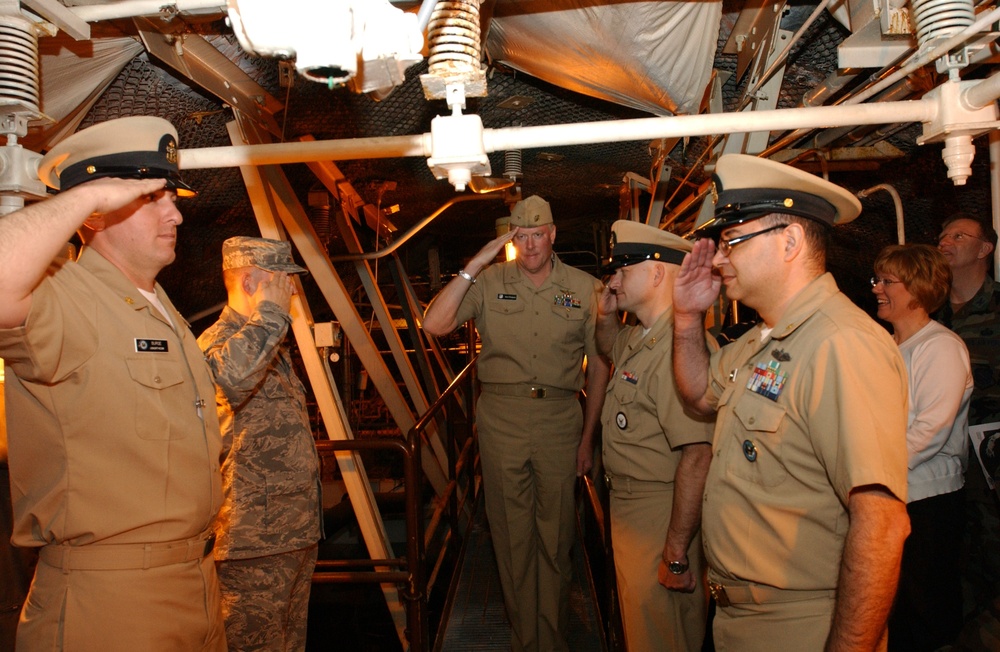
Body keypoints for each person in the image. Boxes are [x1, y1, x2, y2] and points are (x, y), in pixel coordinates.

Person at [0, 116, 226, 651]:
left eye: (171, 197)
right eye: (148, 198)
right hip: (112, 601)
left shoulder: (160, 306)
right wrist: (93, 194)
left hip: (197, 583)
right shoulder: (65, 297)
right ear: (95, 213)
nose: (174, 213)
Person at [671, 153, 911, 651]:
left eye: (732, 242)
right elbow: (697, 395)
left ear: (790, 242)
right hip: (744, 621)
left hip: (802, 624)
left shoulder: (840, 344)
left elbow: (882, 522)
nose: (717, 259)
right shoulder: (766, 341)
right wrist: (686, 319)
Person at [423, 195, 610, 651]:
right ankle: (526, 641)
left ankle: (552, 640)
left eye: (537, 235)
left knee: (557, 537)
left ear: (552, 235)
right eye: (519, 236)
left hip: (560, 420)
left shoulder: (586, 289)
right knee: (511, 538)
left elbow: (601, 365)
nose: (529, 246)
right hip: (501, 421)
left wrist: (588, 437)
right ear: (511, 238)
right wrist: (478, 260)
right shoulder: (489, 282)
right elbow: (435, 324)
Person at [198, 236, 323, 651]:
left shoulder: (269, 344)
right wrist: (270, 314)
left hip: (293, 534)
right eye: (282, 279)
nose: (291, 289)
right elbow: (232, 380)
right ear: (250, 282)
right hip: (252, 543)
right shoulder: (217, 343)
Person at [595, 219, 714, 651]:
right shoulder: (643, 337)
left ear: (658, 272)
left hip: (660, 516)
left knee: (663, 636)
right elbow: (611, 349)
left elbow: (698, 455)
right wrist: (604, 317)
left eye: (624, 269)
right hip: (632, 512)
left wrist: (676, 551)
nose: (614, 280)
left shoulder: (678, 351)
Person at [871, 244, 973, 651]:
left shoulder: (941, 347)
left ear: (917, 289)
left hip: (927, 499)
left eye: (886, 281)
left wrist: (874, 467)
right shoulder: (886, 346)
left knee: (925, 608)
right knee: (893, 611)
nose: (876, 288)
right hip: (892, 491)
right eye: (876, 279)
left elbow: (930, 429)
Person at [935, 214, 1000, 639]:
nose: (945, 241)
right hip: (942, 462)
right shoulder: (927, 314)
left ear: (984, 249)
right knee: (951, 564)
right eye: (941, 235)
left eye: (958, 235)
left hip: (991, 464)